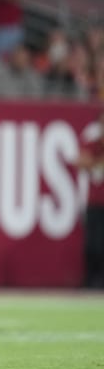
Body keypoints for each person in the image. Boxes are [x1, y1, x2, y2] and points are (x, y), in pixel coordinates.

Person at [75, 111, 104, 289]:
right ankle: (92, 281)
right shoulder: (92, 144)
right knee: (93, 245)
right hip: (95, 203)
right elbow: (80, 162)